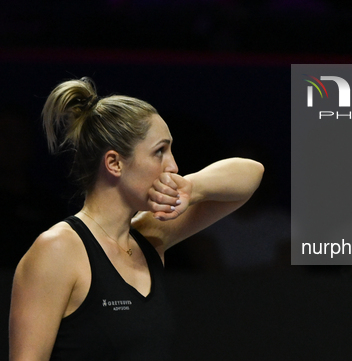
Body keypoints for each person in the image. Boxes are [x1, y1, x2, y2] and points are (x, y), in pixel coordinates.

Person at [8, 77, 264, 360]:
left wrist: (193, 188)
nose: (173, 165)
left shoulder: (150, 236)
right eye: (160, 151)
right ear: (114, 163)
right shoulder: (57, 250)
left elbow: (251, 174)